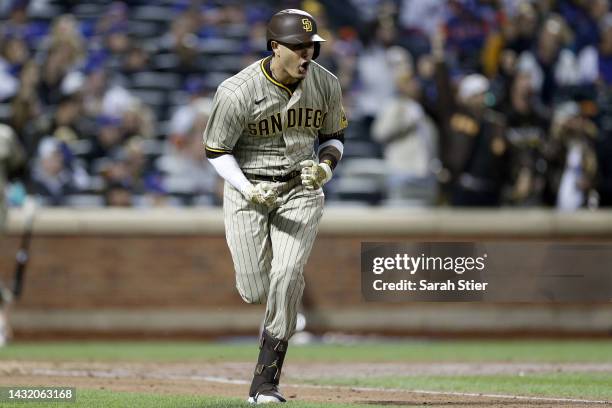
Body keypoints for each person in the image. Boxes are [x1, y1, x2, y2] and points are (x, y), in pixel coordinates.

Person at [203, 9, 347, 404]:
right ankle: (284, 300)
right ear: (275, 48)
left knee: (287, 273)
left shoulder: (326, 83)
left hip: (300, 188)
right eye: (298, 47)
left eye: (312, 47)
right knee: (253, 289)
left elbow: (334, 135)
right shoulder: (237, 91)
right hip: (247, 190)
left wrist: (325, 167)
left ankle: (265, 384)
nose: (307, 54)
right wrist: (248, 189)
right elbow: (216, 151)